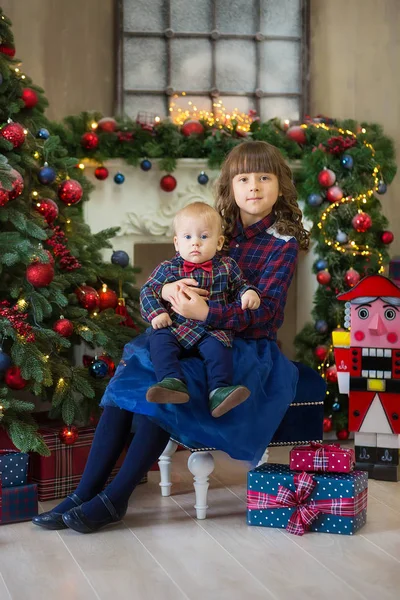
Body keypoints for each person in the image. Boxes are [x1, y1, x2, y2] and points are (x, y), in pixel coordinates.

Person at [33, 140, 321, 535]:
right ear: (230, 186)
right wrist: (168, 291)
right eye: (244, 178)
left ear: (280, 185)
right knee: (137, 372)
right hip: (186, 332)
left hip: (241, 347)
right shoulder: (214, 227)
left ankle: (116, 497)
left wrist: (207, 313)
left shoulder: (282, 244)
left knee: (169, 389)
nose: (254, 187)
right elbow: (174, 270)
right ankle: (84, 491)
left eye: (264, 177)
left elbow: (266, 317)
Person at [142, 201, 260, 417]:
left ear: (218, 242)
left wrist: (249, 293)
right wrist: (157, 313)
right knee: (159, 340)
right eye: (188, 237)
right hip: (176, 327)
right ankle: (171, 382)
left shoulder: (227, 266)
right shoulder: (168, 268)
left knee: (219, 350)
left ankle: (219, 391)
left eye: (203, 237)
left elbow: (240, 285)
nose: (195, 243)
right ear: (177, 243)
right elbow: (148, 290)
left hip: (211, 327)